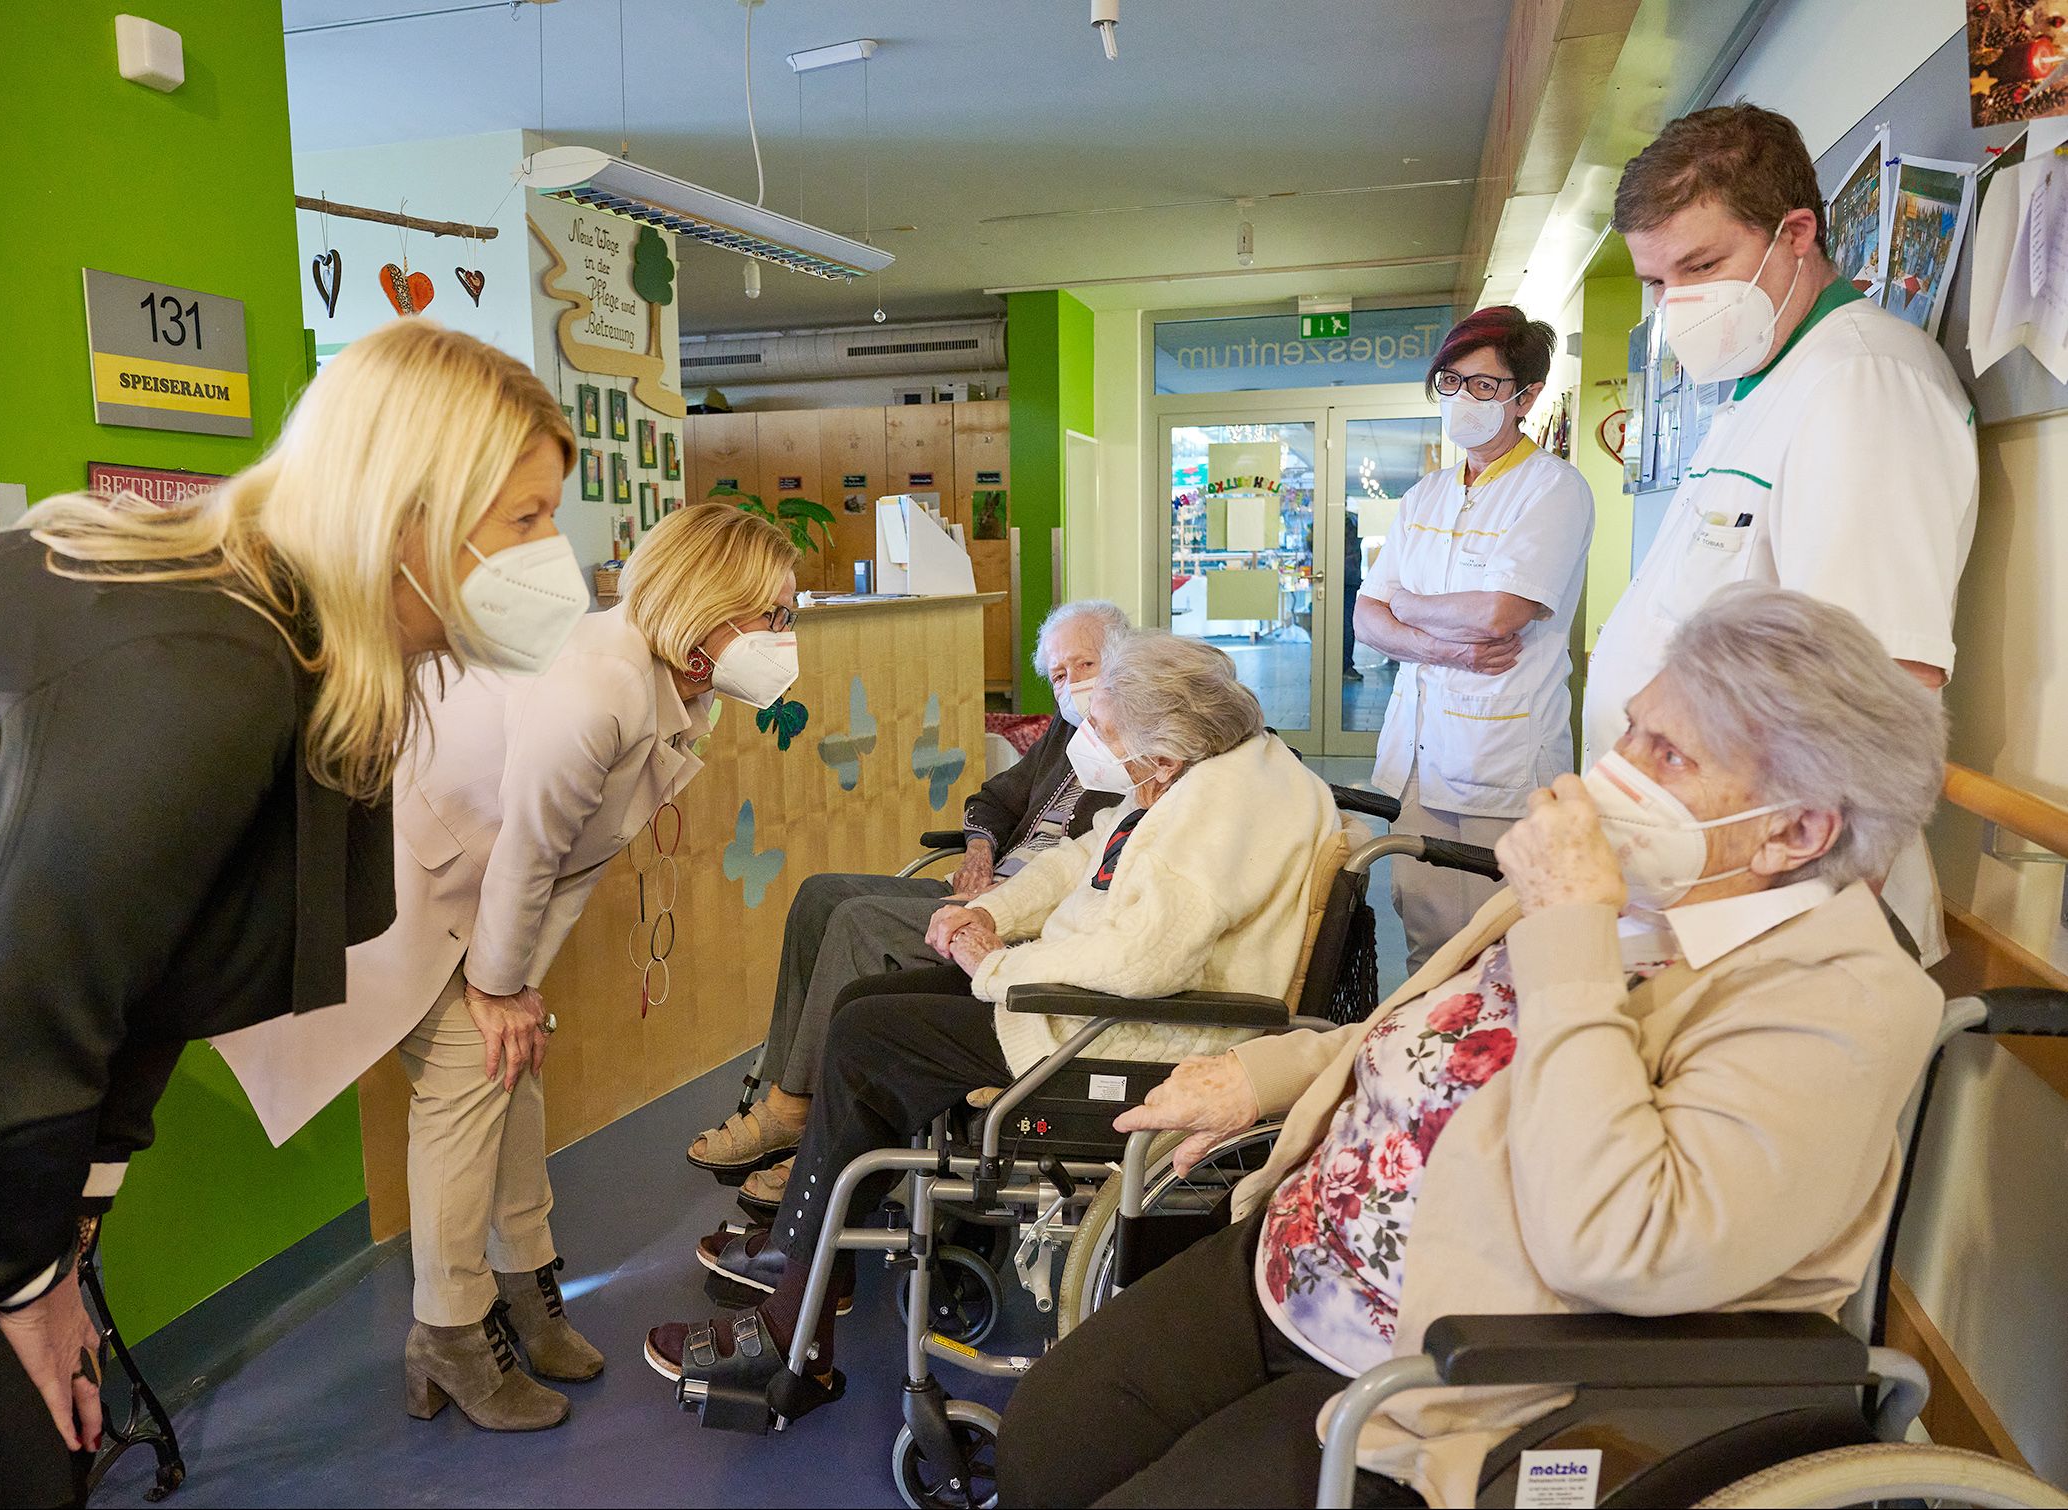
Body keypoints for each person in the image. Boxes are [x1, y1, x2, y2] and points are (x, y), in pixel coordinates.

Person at [995, 586, 1946, 1509]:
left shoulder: (1842, 1000)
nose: (1616, 770)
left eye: (1670, 756)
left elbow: (1625, 1238)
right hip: (1300, 1247)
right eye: (1630, 730)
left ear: (1798, 830)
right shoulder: (1619, 884)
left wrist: (1573, 923)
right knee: (1048, 1433)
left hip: (1440, 1368)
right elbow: (1418, 1030)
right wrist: (1261, 1075)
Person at [0, 321, 584, 1506]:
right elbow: (26, 1004)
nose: (555, 553)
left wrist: (72, 1231)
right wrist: (20, 1287)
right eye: (527, 518)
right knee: (14, 1459)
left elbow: (148, 982)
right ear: (410, 515)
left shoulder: (300, 653)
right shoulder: (202, 658)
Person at [643, 631, 1342, 1407]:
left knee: (870, 1038)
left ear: (1165, 745)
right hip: (1082, 1003)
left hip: (1124, 1033)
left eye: (1107, 730)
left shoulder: (1217, 808)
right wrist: (987, 912)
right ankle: (811, 1266)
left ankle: (793, 1315)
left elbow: (1146, 960)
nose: (1094, 743)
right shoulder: (1198, 773)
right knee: (861, 1009)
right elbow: (1082, 861)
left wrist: (998, 967)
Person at [216, 502, 800, 1432]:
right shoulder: (599, 687)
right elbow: (533, 851)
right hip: (399, 883)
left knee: (514, 1065)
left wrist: (516, 988)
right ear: (707, 608)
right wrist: (496, 988)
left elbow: (576, 865)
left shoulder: (683, 694)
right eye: (772, 615)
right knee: (467, 1074)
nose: (784, 637)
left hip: (473, 893)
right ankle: (447, 1335)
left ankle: (525, 1289)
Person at [1590, 103, 1977, 964]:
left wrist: (1772, 966)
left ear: (1795, 233)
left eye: (1702, 264)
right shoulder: (1761, 385)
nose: (1677, 303)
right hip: (1698, 894)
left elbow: (1874, 707)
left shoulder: (1863, 380)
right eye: (1656, 281)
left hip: (1774, 924)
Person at [684, 599, 1129, 1212]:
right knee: (820, 894)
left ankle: (799, 1116)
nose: (1073, 684)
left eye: (1087, 665)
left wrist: (1003, 899)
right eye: (1058, 674)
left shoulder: (1136, 747)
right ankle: (783, 1097)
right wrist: (979, 850)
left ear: (1124, 665)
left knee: (858, 922)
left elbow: (1094, 874)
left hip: (1025, 923)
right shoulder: (1066, 731)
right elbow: (995, 798)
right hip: (986, 888)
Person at [1352, 306, 1595, 971]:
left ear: (1527, 397)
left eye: (1483, 385)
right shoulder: (1423, 496)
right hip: (1416, 760)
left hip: (1501, 758)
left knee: (1501, 946)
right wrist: (1434, 639)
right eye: (1451, 382)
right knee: (1426, 933)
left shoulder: (1553, 491)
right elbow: (1366, 618)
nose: (1463, 399)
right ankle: (1419, 1067)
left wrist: (1404, 605)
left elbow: (1499, 615)